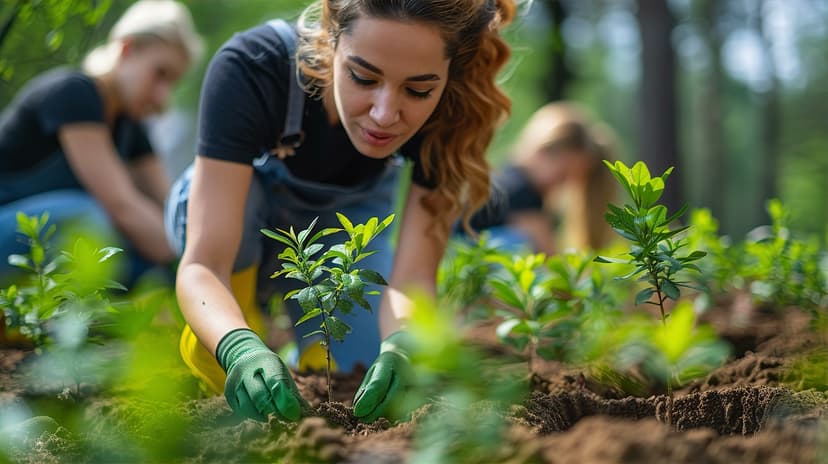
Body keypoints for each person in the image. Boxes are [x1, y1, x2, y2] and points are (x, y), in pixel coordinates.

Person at [165, 0, 516, 423]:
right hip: (233, 229)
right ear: (331, 39)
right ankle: (232, 330)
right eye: (363, 77)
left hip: (343, 231)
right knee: (225, 359)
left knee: (358, 368)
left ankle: (303, 355)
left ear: (448, 75)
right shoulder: (254, 68)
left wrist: (403, 343)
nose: (385, 115)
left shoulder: (453, 113)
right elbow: (204, 263)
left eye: (418, 90)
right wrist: (238, 346)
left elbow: (411, 279)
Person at [0, 0, 204, 286]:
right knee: (89, 218)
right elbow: (123, 207)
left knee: (143, 261)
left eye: (171, 83)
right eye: (160, 74)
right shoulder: (74, 94)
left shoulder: (130, 126)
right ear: (127, 49)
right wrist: (198, 265)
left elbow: (170, 210)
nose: (162, 98)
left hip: (38, 242)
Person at [467, 102, 618, 253]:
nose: (560, 185)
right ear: (545, 150)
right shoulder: (522, 193)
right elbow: (549, 259)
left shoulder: (507, 179)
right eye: (562, 174)